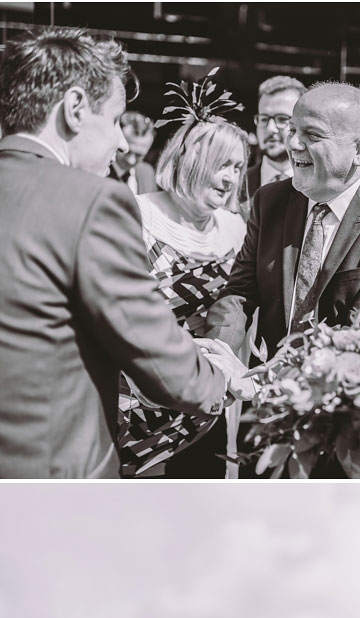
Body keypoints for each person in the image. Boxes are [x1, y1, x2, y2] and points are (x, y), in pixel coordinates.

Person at [0, 27, 235, 478]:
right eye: (113, 121)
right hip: (57, 482)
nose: (122, 143)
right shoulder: (94, 202)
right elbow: (166, 367)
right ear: (74, 110)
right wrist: (223, 378)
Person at [201, 81, 360, 477]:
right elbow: (240, 292)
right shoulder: (270, 201)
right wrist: (218, 358)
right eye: (292, 130)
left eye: (311, 135)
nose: (291, 144)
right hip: (272, 423)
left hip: (357, 434)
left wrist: (268, 379)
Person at [122, 109, 252, 477]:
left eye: (238, 168)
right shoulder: (136, 214)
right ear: (192, 160)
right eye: (222, 165)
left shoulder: (236, 229)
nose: (231, 179)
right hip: (133, 407)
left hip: (202, 412)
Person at [243, 75, 303, 205]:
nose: (270, 129)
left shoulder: (319, 187)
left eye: (282, 119)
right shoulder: (237, 184)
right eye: (264, 119)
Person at [110, 110, 157, 194]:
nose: (131, 160)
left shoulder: (148, 173)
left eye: (139, 155)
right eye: (127, 152)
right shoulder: (99, 172)